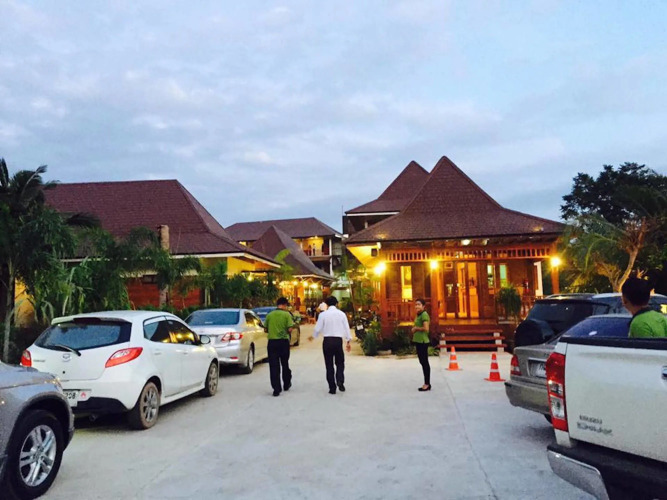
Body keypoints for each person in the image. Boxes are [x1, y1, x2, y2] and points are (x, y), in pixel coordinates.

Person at [309, 296, 351, 394]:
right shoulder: (341, 314)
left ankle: (332, 387)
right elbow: (346, 328)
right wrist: (348, 341)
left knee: (329, 364)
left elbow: (318, 328)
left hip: (327, 341)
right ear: (336, 304)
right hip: (338, 341)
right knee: (340, 362)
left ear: (326, 304)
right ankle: (340, 380)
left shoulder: (323, 315)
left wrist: (313, 336)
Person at [263, 297, 295, 396]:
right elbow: (290, 329)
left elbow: (265, 329)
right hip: (283, 342)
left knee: (274, 366)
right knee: (285, 363)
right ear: (285, 305)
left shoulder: (270, 315)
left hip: (272, 343)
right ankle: (286, 383)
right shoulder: (287, 315)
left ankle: (276, 389)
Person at [412, 298, 431, 391]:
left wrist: (416, 329)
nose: (417, 306)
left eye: (419, 304)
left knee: (424, 362)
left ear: (423, 306)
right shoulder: (418, 315)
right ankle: (427, 383)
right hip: (418, 341)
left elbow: (426, 328)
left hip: (423, 341)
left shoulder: (424, 315)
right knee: (422, 362)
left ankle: (427, 384)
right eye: (416, 304)